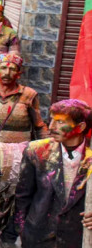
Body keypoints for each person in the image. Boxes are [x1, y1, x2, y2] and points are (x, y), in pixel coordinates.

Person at [0, 53, 48, 247]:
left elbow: (39, 125)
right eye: (3, 68)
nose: (7, 72)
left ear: (19, 73)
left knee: (19, 196)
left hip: (21, 155)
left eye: (12, 68)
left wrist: (47, 150)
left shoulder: (29, 95)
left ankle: (9, 236)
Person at [15, 99, 92, 248]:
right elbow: (22, 197)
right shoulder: (36, 151)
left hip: (77, 237)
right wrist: (22, 230)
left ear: (81, 126)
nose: (51, 127)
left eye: (60, 122)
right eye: (51, 120)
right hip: (38, 234)